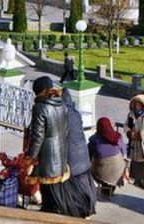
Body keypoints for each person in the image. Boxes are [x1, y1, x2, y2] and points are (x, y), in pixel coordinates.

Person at [25, 76, 75, 215]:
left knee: (48, 193)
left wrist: (30, 157)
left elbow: (37, 137)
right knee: (57, 191)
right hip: (61, 152)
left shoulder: (40, 107)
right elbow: (66, 131)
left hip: (47, 157)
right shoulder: (61, 104)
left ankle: (49, 215)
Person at [57, 88, 96, 216]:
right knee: (85, 188)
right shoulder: (76, 113)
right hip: (83, 156)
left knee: (73, 192)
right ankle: (88, 209)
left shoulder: (60, 115)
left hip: (72, 159)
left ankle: (77, 214)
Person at [87, 117, 126, 197]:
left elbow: (88, 156)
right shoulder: (118, 137)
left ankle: (105, 185)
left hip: (100, 174)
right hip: (118, 172)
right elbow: (124, 152)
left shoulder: (94, 140)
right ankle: (112, 184)